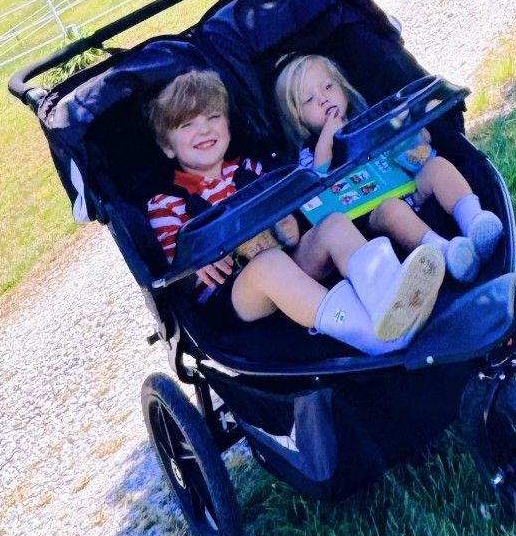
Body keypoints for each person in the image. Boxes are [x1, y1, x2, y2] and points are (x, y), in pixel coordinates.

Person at [145, 69, 444, 355]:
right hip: (233, 296)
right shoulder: (166, 202)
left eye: (213, 117)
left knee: (333, 224)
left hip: (288, 266)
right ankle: (370, 336)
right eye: (187, 125)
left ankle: (391, 299)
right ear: (168, 147)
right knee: (269, 262)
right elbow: (177, 275)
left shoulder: (252, 170)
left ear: (227, 125)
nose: (204, 129)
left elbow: (289, 223)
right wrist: (196, 264)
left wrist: (289, 228)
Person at [273, 53, 503, 283]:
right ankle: (444, 253)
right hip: (369, 213)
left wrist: (416, 142)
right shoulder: (309, 151)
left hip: (405, 185)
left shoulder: (367, 119)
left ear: (342, 87)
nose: (323, 99)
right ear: (297, 118)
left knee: (438, 167)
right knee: (393, 210)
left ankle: (474, 221)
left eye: (328, 86)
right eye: (309, 100)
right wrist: (326, 142)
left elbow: (403, 148)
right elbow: (316, 185)